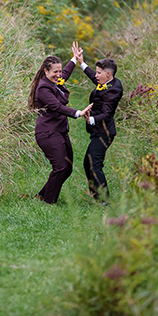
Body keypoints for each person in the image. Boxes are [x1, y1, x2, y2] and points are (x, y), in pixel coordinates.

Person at [28, 51, 91, 204]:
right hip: (48, 132)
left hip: (60, 131)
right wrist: (78, 113)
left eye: (59, 71)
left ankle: (42, 195)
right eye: (55, 72)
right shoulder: (44, 88)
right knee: (61, 167)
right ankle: (49, 202)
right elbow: (56, 106)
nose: (58, 74)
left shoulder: (54, 82)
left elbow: (66, 73)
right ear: (46, 71)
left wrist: (74, 59)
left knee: (67, 168)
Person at [72, 43, 123, 201]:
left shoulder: (114, 90)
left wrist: (90, 119)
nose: (96, 75)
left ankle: (104, 200)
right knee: (88, 163)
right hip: (98, 132)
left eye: (99, 73)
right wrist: (81, 63)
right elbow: (96, 80)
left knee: (94, 163)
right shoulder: (107, 83)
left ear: (108, 74)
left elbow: (107, 115)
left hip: (104, 132)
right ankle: (96, 196)